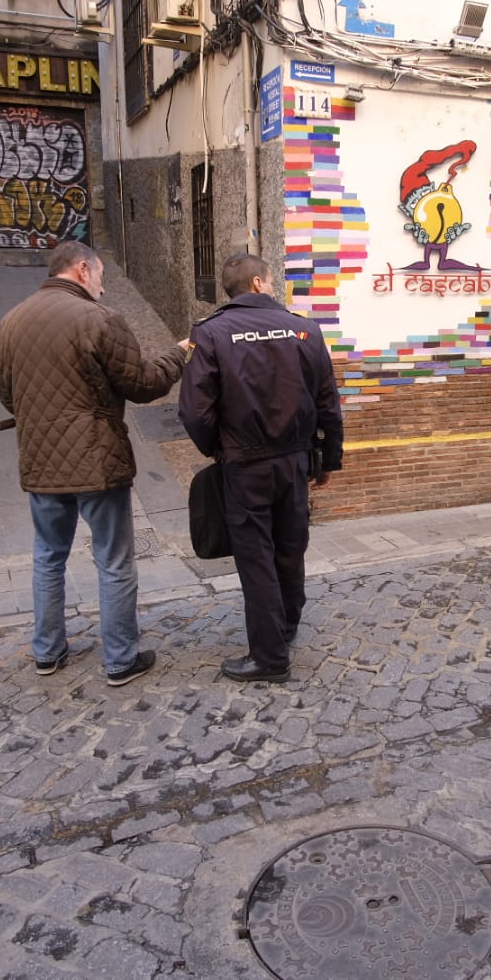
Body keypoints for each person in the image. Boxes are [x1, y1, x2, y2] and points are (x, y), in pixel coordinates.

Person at [0, 241, 192, 681]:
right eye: (100, 276)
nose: (102, 287)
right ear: (83, 269)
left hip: (41, 461)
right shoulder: (98, 320)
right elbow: (141, 384)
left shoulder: (10, 322)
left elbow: (9, 396)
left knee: (48, 555)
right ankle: (121, 659)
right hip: (97, 461)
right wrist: (179, 354)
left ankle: (47, 651)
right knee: (114, 560)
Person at [178, 253, 344, 683]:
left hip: (245, 465)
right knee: (291, 547)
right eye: (272, 282)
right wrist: (329, 460)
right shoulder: (306, 329)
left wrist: (220, 448)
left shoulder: (210, 334)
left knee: (257, 557)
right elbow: (328, 402)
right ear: (257, 283)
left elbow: (195, 412)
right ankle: (285, 629)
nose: (274, 288)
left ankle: (270, 656)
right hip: (294, 461)